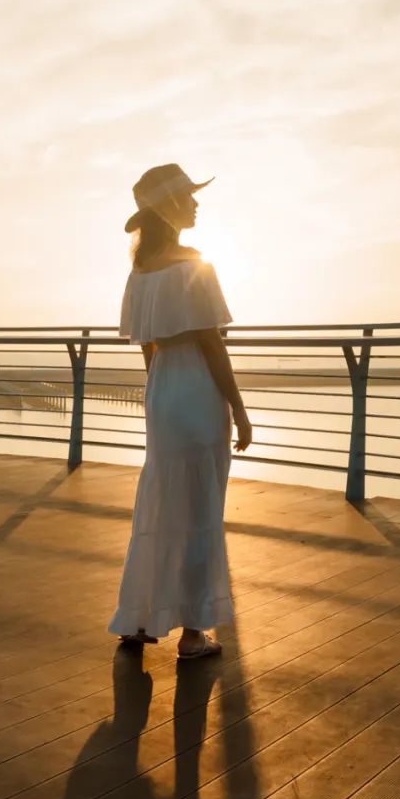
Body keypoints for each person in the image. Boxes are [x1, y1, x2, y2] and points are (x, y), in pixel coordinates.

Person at [108, 164, 252, 660]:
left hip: (162, 390)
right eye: (189, 198)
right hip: (198, 389)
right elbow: (213, 345)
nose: (196, 204)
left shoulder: (140, 272)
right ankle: (193, 634)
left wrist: (159, 392)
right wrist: (238, 406)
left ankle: (140, 619)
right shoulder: (193, 265)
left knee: (161, 502)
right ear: (170, 208)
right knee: (200, 510)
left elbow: (146, 346)